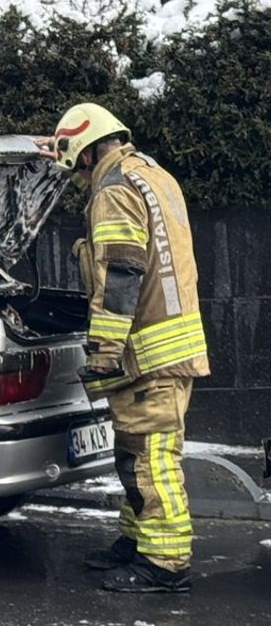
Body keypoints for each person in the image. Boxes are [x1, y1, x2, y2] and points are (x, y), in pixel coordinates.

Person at [36, 103, 208, 593]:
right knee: (135, 453)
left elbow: (120, 274)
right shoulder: (153, 176)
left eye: (76, 164)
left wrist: (105, 351)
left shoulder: (114, 191)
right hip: (166, 342)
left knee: (153, 459)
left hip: (145, 351)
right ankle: (135, 543)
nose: (79, 176)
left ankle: (165, 562)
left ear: (87, 152)